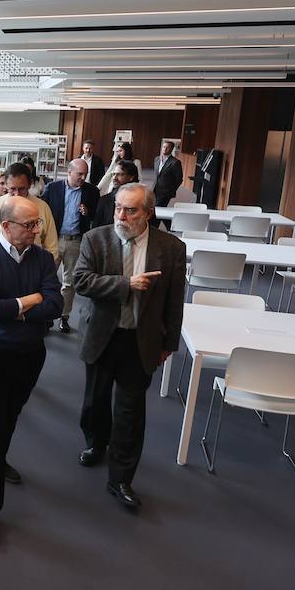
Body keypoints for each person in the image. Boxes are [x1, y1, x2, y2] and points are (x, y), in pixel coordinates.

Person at [71, 183, 186, 511]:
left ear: (148, 213)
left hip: (141, 338)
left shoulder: (172, 248)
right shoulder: (97, 238)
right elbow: (81, 282)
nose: (121, 215)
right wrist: (126, 284)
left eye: (130, 210)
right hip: (102, 336)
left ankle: (121, 477)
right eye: (118, 207)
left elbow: (174, 302)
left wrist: (169, 343)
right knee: (95, 399)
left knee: (130, 411)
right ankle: (96, 443)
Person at [0, 196, 63, 542]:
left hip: (30, 353)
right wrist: (31, 300)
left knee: (10, 415)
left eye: (37, 224)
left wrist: (20, 308)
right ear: (6, 227)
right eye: (29, 225)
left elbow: (56, 304)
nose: (37, 230)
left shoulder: (42, 259)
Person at [42, 158, 100, 333]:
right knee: (47, 279)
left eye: (85, 174)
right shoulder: (52, 188)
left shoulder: (92, 192)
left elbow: (96, 216)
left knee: (69, 283)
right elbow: (43, 212)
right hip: (54, 239)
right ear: (69, 172)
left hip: (75, 241)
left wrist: (87, 213)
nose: (83, 177)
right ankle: (46, 316)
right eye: (79, 174)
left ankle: (63, 317)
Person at [0, 163, 59, 262]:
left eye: (22, 189)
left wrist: (44, 268)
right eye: (12, 189)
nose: (17, 194)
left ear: (30, 184)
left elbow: (52, 246)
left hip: (33, 266)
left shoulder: (43, 208)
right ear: (6, 185)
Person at [94, 161, 139, 229]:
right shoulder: (104, 200)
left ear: (131, 177)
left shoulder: (142, 200)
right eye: (113, 174)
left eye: (119, 174)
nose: (114, 178)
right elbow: (96, 228)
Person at [153, 140, 184, 209]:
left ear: (172, 149)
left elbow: (179, 179)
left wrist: (171, 191)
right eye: (164, 147)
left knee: (158, 208)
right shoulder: (157, 159)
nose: (165, 149)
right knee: (157, 209)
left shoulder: (175, 162)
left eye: (167, 147)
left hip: (166, 192)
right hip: (155, 189)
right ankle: (166, 220)